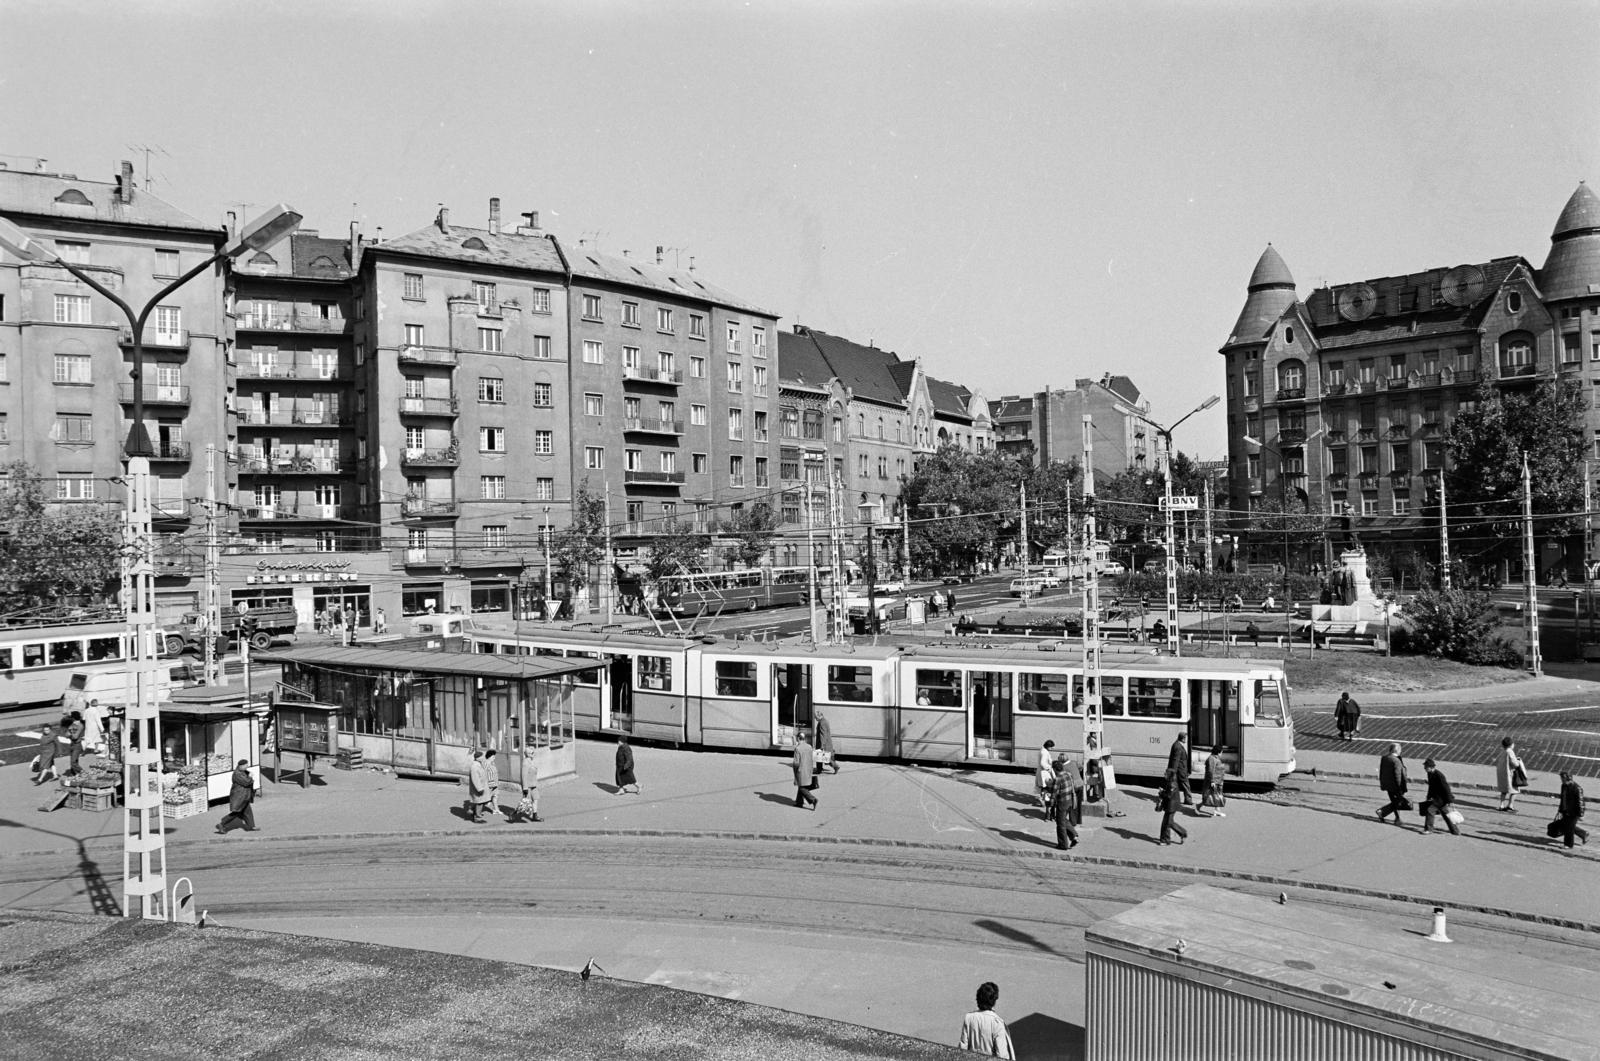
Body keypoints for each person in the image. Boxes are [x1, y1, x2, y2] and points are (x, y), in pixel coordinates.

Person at [958, 981, 1016, 1058]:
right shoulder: (997, 1023)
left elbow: (962, 1049)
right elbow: (1002, 1055)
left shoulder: (969, 1018)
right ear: (994, 1000)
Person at [216, 760, 259, 833]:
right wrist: (250, 777)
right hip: (239, 797)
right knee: (236, 812)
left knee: (247, 811)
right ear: (240, 766)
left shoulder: (243, 772)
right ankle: (222, 823)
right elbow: (246, 782)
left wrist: (249, 775)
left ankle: (251, 826)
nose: (247, 766)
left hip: (244, 796)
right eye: (245, 765)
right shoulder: (237, 774)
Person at [1421, 758, 1460, 836]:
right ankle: (1455, 831)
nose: (1424, 768)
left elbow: (1446, 788)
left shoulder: (1439, 775)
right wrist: (1429, 796)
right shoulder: (1430, 773)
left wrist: (1450, 801)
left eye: (1426, 767)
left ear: (1431, 767)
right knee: (1446, 814)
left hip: (1441, 799)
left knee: (1430, 810)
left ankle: (1429, 829)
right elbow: (1431, 787)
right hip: (1437, 798)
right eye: (1425, 767)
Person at [1377, 743, 1410, 824]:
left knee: (1395, 801)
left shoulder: (1385, 758)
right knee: (1398, 802)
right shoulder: (1396, 760)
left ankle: (1397, 819)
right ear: (1397, 750)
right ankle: (1382, 812)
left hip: (1388, 784)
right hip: (1396, 786)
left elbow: (1382, 771)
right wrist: (1400, 787)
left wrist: (1382, 782)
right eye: (1400, 750)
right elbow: (1398, 775)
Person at [1554, 770, 1588, 848]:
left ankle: (1568, 845)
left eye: (1563, 778)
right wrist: (1560, 810)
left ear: (1568, 778)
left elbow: (1581, 802)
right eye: (1561, 778)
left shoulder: (1577, 788)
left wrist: (1581, 814)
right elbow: (1563, 799)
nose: (1561, 779)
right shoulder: (1563, 786)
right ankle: (1583, 834)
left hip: (1573, 812)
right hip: (1565, 811)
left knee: (1569, 828)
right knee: (1567, 826)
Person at [1051, 759, 1078, 850]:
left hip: (1062, 803)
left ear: (1055, 769)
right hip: (1070, 801)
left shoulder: (1058, 778)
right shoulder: (1068, 774)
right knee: (1063, 819)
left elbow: (1054, 793)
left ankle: (1063, 845)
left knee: (1060, 824)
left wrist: (1051, 803)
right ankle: (1074, 835)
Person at [1157, 768, 1189, 846]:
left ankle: (1166, 840)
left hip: (1171, 806)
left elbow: (1169, 796)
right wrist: (1163, 791)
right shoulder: (1170, 782)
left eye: (1166, 773)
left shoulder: (1172, 784)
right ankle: (1181, 834)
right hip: (1170, 806)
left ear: (1170, 775)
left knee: (1167, 823)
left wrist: (1161, 793)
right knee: (1168, 822)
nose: (1164, 775)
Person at [1496, 737, 1527, 813]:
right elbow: (1515, 764)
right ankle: (1510, 805)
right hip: (1509, 775)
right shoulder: (1510, 752)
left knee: (1504, 791)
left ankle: (1501, 805)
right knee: (1515, 790)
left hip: (1502, 773)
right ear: (1511, 745)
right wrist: (1518, 761)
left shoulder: (1503, 751)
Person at [791, 726, 819, 810]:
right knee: (802, 786)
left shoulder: (798, 749)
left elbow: (796, 763)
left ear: (798, 739)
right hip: (809, 769)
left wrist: (795, 771)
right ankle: (799, 802)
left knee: (802, 787)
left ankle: (813, 799)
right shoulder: (809, 747)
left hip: (801, 770)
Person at [1199, 744, 1227, 817]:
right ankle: (1197, 807)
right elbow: (1210, 771)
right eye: (1221, 752)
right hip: (1214, 782)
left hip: (1218, 781)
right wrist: (1212, 781)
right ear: (1218, 752)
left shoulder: (1215, 758)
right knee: (1209, 796)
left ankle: (1217, 811)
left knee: (1216, 796)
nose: (1222, 754)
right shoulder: (1212, 759)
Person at [1059, 752, 1085, 828]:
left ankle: (1073, 822)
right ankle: (1078, 820)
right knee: (1078, 803)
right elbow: (1081, 768)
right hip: (1080, 783)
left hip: (1074, 786)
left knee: (1073, 804)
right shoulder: (1074, 762)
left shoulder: (1063, 767)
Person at [1166, 732, 1192, 806]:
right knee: (1186, 785)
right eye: (1185, 738)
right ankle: (1188, 800)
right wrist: (1173, 772)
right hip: (1181, 770)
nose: (1186, 739)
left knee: (1175, 785)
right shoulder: (1178, 747)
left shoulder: (1177, 744)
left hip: (1181, 769)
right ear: (1183, 738)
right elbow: (1176, 760)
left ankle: (1170, 797)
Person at [814, 709, 840, 774]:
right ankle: (819, 769)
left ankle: (835, 766)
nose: (815, 718)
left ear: (819, 716)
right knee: (820, 757)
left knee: (826, 758)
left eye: (815, 717)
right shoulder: (824, 721)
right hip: (825, 743)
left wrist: (822, 745)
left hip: (823, 744)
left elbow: (823, 734)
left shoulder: (822, 723)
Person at [467, 750, 490, 824]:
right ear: (478, 758)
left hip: (482, 787)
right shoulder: (474, 766)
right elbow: (475, 779)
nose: (483, 758)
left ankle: (473, 811)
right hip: (478, 789)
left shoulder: (479, 764)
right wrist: (479, 789)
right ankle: (477, 817)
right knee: (479, 803)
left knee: (481, 802)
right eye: (482, 757)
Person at [1036, 739, 1057, 817]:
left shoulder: (1042, 750)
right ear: (1048, 746)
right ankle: (1042, 799)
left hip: (1041, 771)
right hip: (1044, 772)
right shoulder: (1044, 752)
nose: (1052, 749)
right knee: (1046, 787)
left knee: (1042, 786)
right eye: (1051, 747)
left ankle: (1041, 798)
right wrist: (1049, 768)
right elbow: (1042, 763)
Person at [483, 746, 504, 818]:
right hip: (489, 784)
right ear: (489, 756)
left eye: (494, 756)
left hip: (495, 783)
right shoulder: (485, 764)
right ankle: (472, 808)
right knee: (484, 798)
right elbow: (483, 774)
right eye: (493, 756)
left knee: (495, 796)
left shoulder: (493, 763)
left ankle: (496, 809)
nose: (494, 758)